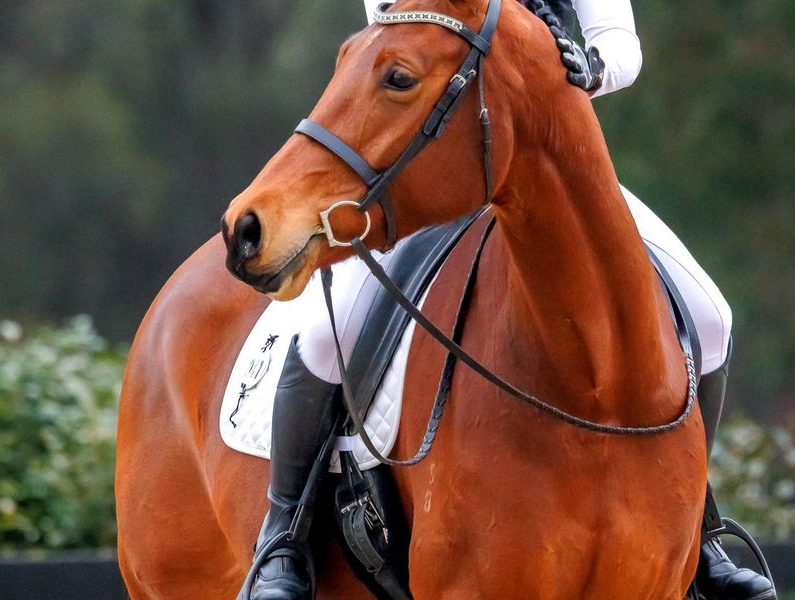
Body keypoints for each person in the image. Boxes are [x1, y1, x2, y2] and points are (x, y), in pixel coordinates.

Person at [245, 1, 776, 599]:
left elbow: (620, 43)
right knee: (323, 332)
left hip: (555, 159)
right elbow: (388, 22)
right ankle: (284, 534)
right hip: (438, 152)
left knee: (711, 317)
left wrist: (590, 67)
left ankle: (699, 533)